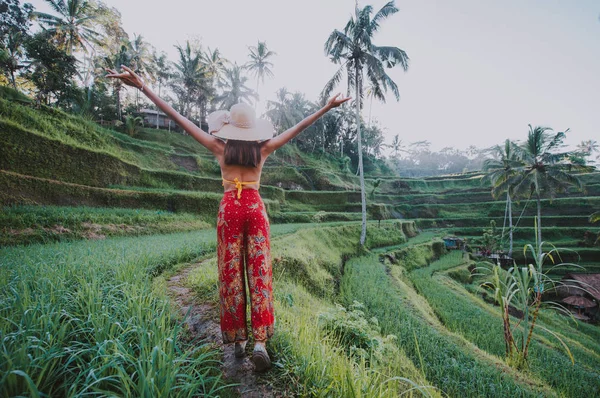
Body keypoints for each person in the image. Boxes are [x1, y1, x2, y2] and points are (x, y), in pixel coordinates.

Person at [106, 65, 350, 371]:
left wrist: (143, 87)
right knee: (258, 274)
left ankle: (238, 340)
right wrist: (326, 107)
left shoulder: (219, 149)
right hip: (255, 209)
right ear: (254, 131)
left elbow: (179, 119)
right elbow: (297, 128)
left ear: (230, 128)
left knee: (231, 276)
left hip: (229, 211)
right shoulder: (262, 151)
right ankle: (259, 341)